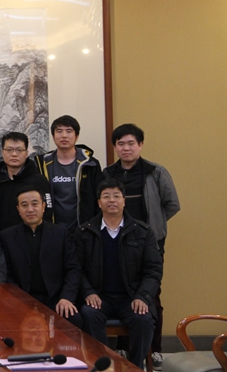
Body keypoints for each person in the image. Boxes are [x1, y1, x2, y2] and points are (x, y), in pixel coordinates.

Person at [103, 123, 180, 368]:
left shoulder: (155, 172)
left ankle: (154, 349)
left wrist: (153, 227)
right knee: (121, 292)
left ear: (140, 145)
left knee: (150, 295)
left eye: (131, 143)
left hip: (148, 243)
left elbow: (172, 204)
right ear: (115, 147)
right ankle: (123, 347)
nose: (126, 148)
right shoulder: (108, 173)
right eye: (121, 144)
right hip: (116, 241)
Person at [76, 178, 163, 368]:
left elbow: (153, 269)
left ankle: (134, 366)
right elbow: (76, 269)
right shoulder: (84, 232)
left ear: (124, 201)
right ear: (99, 203)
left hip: (131, 296)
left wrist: (142, 296)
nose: (112, 200)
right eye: (106, 196)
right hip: (100, 296)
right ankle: (104, 365)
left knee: (143, 319)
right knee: (88, 314)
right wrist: (88, 292)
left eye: (116, 196)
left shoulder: (142, 231)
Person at [0, 186, 83, 328]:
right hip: (22, 299)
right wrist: (19, 300)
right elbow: (6, 274)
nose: (30, 209)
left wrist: (66, 297)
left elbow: (73, 269)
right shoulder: (7, 236)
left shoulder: (61, 234)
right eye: (24, 205)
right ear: (18, 209)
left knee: (73, 319)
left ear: (43, 206)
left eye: (35, 204)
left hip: (55, 299)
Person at [34, 115, 104, 228]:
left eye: (69, 131)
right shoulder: (42, 164)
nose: (64, 135)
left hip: (84, 228)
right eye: (59, 131)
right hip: (52, 229)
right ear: (53, 136)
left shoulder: (90, 164)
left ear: (77, 136)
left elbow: (99, 197)